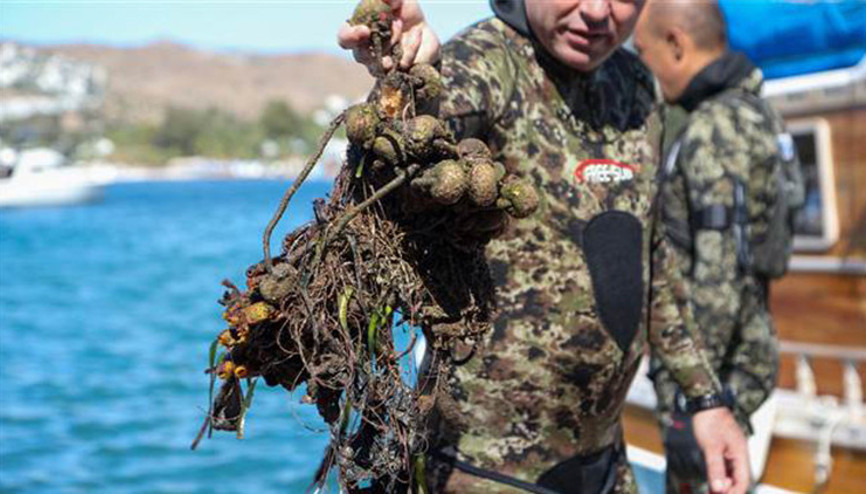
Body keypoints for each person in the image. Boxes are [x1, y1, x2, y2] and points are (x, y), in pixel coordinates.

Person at [340, 1, 750, 493]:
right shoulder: (485, 63)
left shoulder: (638, 86)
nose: (596, 12)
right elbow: (403, 167)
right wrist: (409, 80)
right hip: (482, 469)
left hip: (604, 461)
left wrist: (706, 400)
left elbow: (652, 257)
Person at [634, 1, 798, 492]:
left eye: (643, 51)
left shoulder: (714, 129)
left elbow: (719, 271)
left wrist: (697, 398)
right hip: (738, 362)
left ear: (676, 45)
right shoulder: (759, 113)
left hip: (715, 375)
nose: (643, 66)